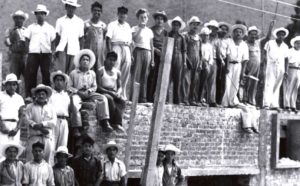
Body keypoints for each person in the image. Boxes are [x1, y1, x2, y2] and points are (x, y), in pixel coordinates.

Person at [69, 49, 113, 132]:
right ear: (80, 61)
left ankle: (104, 121)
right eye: (83, 59)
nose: (85, 61)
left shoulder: (92, 73)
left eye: (87, 60)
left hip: (89, 93)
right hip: (77, 93)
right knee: (74, 102)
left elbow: (94, 86)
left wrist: (89, 91)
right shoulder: (73, 73)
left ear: (89, 62)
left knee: (103, 98)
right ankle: (76, 126)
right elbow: (69, 87)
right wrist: (78, 92)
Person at [24, 4, 56, 97]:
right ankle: (31, 96)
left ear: (45, 15)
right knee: (31, 74)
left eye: (42, 13)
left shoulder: (50, 28)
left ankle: (47, 95)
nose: (40, 15)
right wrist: (28, 51)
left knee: (46, 74)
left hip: (46, 54)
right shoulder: (31, 27)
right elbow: (26, 40)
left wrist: (52, 53)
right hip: (33, 54)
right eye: (38, 13)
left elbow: (53, 41)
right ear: (35, 15)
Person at [244, 21, 274, 106]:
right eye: (252, 34)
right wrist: (245, 67)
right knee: (247, 83)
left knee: (254, 83)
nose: (253, 36)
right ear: (248, 34)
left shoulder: (258, 42)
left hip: (257, 67)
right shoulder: (245, 44)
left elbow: (267, 38)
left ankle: (251, 100)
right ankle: (245, 99)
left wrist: (270, 28)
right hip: (248, 66)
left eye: (255, 34)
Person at [25, 84, 57, 165]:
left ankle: (48, 177)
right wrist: (35, 125)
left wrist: (43, 124)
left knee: (48, 160)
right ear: (35, 95)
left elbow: (54, 122)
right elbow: (27, 120)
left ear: (46, 95)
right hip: (34, 137)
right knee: (31, 160)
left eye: (43, 94)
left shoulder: (51, 108)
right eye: (39, 94)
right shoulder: (30, 107)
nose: (41, 96)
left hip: (47, 138)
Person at [106, 6, 132, 100]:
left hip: (126, 48)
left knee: (126, 69)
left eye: (124, 13)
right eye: (121, 13)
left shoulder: (128, 26)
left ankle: (122, 93)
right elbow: (108, 39)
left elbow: (130, 41)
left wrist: (131, 53)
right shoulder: (112, 24)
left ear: (126, 15)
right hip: (116, 47)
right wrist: (110, 52)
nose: (122, 15)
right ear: (118, 14)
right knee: (115, 69)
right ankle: (114, 92)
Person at [97, 52, 126, 132]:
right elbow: (98, 87)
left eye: (114, 60)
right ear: (105, 60)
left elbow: (120, 87)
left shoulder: (117, 72)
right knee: (109, 99)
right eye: (110, 59)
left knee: (122, 101)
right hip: (103, 91)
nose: (111, 62)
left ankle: (118, 123)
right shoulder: (101, 71)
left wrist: (118, 93)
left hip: (113, 91)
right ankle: (110, 122)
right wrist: (110, 93)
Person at [222, 24, 249, 108]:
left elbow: (245, 59)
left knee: (236, 83)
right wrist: (226, 67)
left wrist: (242, 72)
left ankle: (232, 101)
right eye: (236, 32)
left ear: (242, 34)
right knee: (228, 83)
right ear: (233, 33)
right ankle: (225, 102)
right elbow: (225, 55)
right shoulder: (228, 42)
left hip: (238, 65)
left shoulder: (244, 45)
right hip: (229, 64)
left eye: (240, 32)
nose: (238, 34)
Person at [263, 27, 289, 111]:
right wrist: (263, 65)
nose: (281, 36)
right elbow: (264, 54)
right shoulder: (270, 43)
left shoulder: (285, 46)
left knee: (277, 85)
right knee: (269, 84)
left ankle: (274, 104)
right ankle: (266, 103)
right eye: (279, 34)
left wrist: (286, 71)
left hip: (281, 67)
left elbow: (286, 59)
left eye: (282, 35)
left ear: (284, 36)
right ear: (276, 35)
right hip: (271, 65)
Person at [131, 8, 154, 103]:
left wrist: (152, 60)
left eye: (145, 17)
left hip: (147, 52)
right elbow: (133, 40)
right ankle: (133, 97)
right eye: (141, 17)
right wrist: (140, 28)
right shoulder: (134, 28)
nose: (143, 19)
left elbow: (152, 46)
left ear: (147, 18)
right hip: (138, 51)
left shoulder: (149, 31)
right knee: (136, 74)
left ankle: (142, 97)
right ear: (138, 18)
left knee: (145, 75)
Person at [55, 0, 84, 74]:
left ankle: (70, 86)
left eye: (73, 7)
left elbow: (81, 38)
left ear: (75, 8)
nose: (71, 9)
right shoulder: (60, 21)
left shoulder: (80, 21)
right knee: (61, 73)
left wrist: (81, 52)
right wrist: (56, 50)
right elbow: (57, 37)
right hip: (62, 50)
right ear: (66, 7)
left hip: (75, 50)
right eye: (69, 7)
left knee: (72, 73)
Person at [0, 74, 25, 155]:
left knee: (14, 150)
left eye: (14, 84)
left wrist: (17, 128)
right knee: (2, 150)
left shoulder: (19, 98)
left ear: (16, 86)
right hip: (3, 125)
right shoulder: (1, 95)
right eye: (9, 84)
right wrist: (2, 126)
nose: (12, 87)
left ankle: (13, 167)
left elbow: (21, 114)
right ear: (5, 85)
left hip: (15, 126)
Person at [148, 10, 168, 102]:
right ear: (155, 20)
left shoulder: (165, 33)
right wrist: (155, 50)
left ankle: (159, 98)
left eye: (161, 19)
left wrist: (163, 52)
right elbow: (148, 43)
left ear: (164, 21)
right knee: (151, 76)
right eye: (158, 19)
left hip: (163, 57)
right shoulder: (150, 30)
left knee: (161, 77)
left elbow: (168, 44)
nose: (159, 21)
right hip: (153, 55)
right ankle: (149, 97)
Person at [182, 16, 202, 106]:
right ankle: (185, 99)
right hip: (188, 59)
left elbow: (200, 52)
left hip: (197, 61)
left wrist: (200, 63)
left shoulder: (199, 38)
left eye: (197, 25)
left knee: (195, 80)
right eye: (193, 24)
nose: (195, 26)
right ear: (190, 25)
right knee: (186, 80)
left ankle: (192, 99)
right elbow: (184, 50)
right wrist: (186, 61)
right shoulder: (186, 36)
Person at [167, 16, 187, 104]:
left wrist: (185, 61)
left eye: (177, 25)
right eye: (174, 25)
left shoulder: (182, 37)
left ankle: (176, 100)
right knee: (168, 78)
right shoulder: (168, 35)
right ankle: (166, 99)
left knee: (177, 79)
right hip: (169, 57)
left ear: (179, 27)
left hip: (179, 57)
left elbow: (184, 50)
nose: (175, 27)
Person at [49, 71, 70, 149]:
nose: (59, 82)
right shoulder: (50, 95)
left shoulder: (67, 95)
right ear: (54, 82)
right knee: (51, 145)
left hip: (64, 121)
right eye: (57, 80)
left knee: (62, 146)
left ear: (64, 83)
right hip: (54, 121)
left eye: (61, 80)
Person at [4, 10, 28, 80]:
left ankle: (28, 91)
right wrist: (12, 40)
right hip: (15, 56)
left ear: (24, 20)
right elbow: (7, 42)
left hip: (25, 56)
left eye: (21, 18)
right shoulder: (9, 30)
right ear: (14, 19)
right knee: (14, 77)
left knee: (28, 77)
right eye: (17, 18)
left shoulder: (27, 30)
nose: (19, 20)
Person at [84, 1, 106, 71]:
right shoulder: (86, 24)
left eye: (99, 11)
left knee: (99, 71)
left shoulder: (103, 26)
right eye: (95, 10)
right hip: (88, 52)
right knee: (88, 70)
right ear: (91, 11)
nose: (97, 12)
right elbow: (82, 39)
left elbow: (104, 38)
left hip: (100, 54)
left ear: (101, 12)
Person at [215, 22, 231, 105]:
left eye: (225, 30)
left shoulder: (227, 42)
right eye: (222, 29)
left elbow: (228, 54)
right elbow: (216, 52)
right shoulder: (216, 40)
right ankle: (214, 99)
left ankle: (220, 100)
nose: (224, 31)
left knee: (222, 82)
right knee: (216, 80)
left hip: (224, 62)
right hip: (216, 61)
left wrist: (227, 66)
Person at [283, 36, 300, 112]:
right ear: (294, 43)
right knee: (289, 87)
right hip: (291, 69)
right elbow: (286, 61)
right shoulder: (290, 51)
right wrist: (286, 71)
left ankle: (293, 105)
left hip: (298, 70)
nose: (298, 45)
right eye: (297, 43)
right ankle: (287, 105)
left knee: (295, 88)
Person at [199, 27, 214, 106]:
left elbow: (211, 57)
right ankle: (198, 98)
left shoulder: (209, 46)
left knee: (205, 82)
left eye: (207, 35)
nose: (206, 37)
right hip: (200, 63)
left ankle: (204, 99)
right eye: (204, 35)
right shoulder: (199, 44)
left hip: (207, 64)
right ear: (201, 36)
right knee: (198, 82)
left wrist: (209, 64)